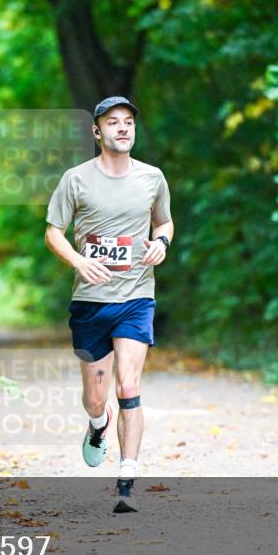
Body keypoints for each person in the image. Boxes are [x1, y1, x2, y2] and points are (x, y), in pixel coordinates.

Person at [44, 96, 173, 513]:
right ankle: (98, 425)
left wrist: (162, 243)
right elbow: (53, 232)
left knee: (129, 386)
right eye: (113, 122)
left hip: (137, 296)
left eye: (129, 121)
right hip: (90, 302)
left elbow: (164, 221)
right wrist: (79, 261)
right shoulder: (76, 179)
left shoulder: (153, 178)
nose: (123, 128)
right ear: (97, 132)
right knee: (97, 398)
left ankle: (127, 480)